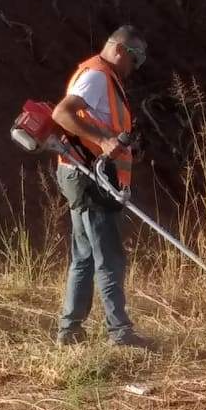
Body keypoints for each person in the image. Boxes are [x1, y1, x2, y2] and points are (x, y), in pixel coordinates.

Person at [51, 25, 150, 348]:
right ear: (121, 50)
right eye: (135, 59)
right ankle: (119, 333)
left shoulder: (105, 78)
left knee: (84, 256)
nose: (134, 67)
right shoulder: (96, 77)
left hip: (86, 176)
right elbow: (62, 113)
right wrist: (104, 140)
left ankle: (70, 331)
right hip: (88, 178)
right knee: (109, 256)